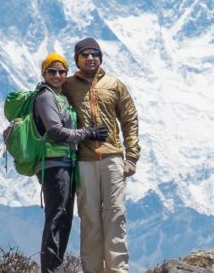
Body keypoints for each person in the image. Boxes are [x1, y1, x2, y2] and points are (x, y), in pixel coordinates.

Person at [62, 38, 140, 273]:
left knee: (116, 216)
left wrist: (132, 157)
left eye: (95, 53)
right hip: (83, 161)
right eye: (85, 54)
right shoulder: (67, 86)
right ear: (77, 59)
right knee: (89, 219)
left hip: (113, 158)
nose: (90, 58)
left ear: (101, 57)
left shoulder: (115, 85)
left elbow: (129, 119)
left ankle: (118, 270)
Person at [34, 52, 108, 273]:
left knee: (64, 217)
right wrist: (87, 133)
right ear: (44, 73)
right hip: (54, 164)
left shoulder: (60, 96)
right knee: (57, 216)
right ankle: (50, 269)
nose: (57, 75)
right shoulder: (45, 96)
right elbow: (55, 131)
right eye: (52, 71)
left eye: (61, 71)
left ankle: (54, 267)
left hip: (65, 164)